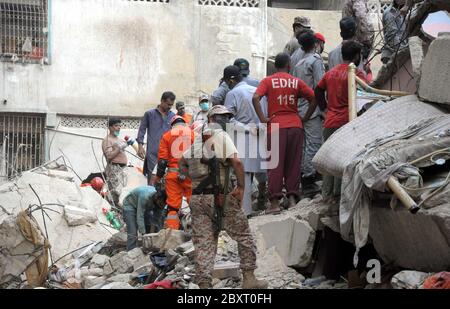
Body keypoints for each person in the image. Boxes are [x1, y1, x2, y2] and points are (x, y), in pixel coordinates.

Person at [179, 105, 268, 289]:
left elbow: (182, 164)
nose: (225, 121)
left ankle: (204, 286)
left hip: (197, 199)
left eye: (227, 117)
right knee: (244, 236)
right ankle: (250, 279)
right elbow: (236, 161)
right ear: (211, 119)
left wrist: (198, 180)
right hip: (221, 197)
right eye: (221, 117)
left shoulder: (196, 141)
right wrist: (242, 187)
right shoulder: (220, 136)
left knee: (204, 244)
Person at [252, 53, 317, 214]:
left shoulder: (268, 81)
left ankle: (274, 203)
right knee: (293, 164)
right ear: (289, 65)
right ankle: (293, 199)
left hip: (275, 126)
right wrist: (305, 117)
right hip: (295, 125)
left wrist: (263, 118)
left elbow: (255, 97)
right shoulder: (296, 81)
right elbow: (314, 98)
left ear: (275, 66)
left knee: (274, 165)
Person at [315, 40, 366, 203]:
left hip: (330, 121)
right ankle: (337, 197)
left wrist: (324, 109)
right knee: (342, 160)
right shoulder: (357, 74)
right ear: (357, 56)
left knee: (329, 159)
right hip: (347, 122)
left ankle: (326, 195)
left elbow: (317, 89)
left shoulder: (331, 72)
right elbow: (366, 96)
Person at [222, 65, 267, 216]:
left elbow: (228, 119)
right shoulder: (256, 91)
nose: (227, 84)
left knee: (244, 175)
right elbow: (264, 115)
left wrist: (247, 128)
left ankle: (245, 212)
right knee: (257, 174)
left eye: (227, 81)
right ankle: (258, 205)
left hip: (242, 138)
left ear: (231, 80)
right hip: (259, 136)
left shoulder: (233, 93)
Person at [293, 32, 326, 199]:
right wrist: (324, 110)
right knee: (314, 143)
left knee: (305, 145)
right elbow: (321, 86)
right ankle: (308, 180)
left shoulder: (298, 63)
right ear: (315, 44)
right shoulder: (316, 60)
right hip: (312, 109)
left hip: (301, 108)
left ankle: (303, 177)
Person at [155, 115, 195, 230]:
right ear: (184, 123)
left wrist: (158, 177)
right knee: (194, 204)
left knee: (173, 207)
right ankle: (197, 232)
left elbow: (162, 162)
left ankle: (172, 235)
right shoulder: (194, 134)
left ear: (172, 125)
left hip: (173, 175)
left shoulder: (167, 136)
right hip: (190, 174)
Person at [137, 92, 176, 184]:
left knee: (166, 181)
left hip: (168, 153)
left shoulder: (173, 116)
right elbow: (142, 130)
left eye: (171, 105)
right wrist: (140, 146)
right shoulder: (149, 114)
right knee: (152, 180)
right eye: (168, 104)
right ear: (162, 101)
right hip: (152, 153)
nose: (170, 107)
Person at [122, 186, 166, 251]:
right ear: (157, 198)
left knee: (148, 225)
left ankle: (148, 248)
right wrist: (144, 234)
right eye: (161, 203)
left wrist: (155, 235)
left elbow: (156, 220)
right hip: (130, 205)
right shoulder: (145, 197)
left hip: (144, 206)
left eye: (164, 204)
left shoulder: (161, 202)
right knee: (133, 232)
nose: (162, 205)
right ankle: (131, 252)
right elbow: (140, 217)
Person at [102, 118, 130, 207]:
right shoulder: (107, 140)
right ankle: (110, 208)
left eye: (120, 126)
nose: (118, 128)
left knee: (120, 191)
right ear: (110, 127)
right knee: (113, 191)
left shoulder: (119, 139)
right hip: (114, 168)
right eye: (116, 126)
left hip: (122, 169)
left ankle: (115, 208)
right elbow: (109, 156)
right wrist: (119, 148)